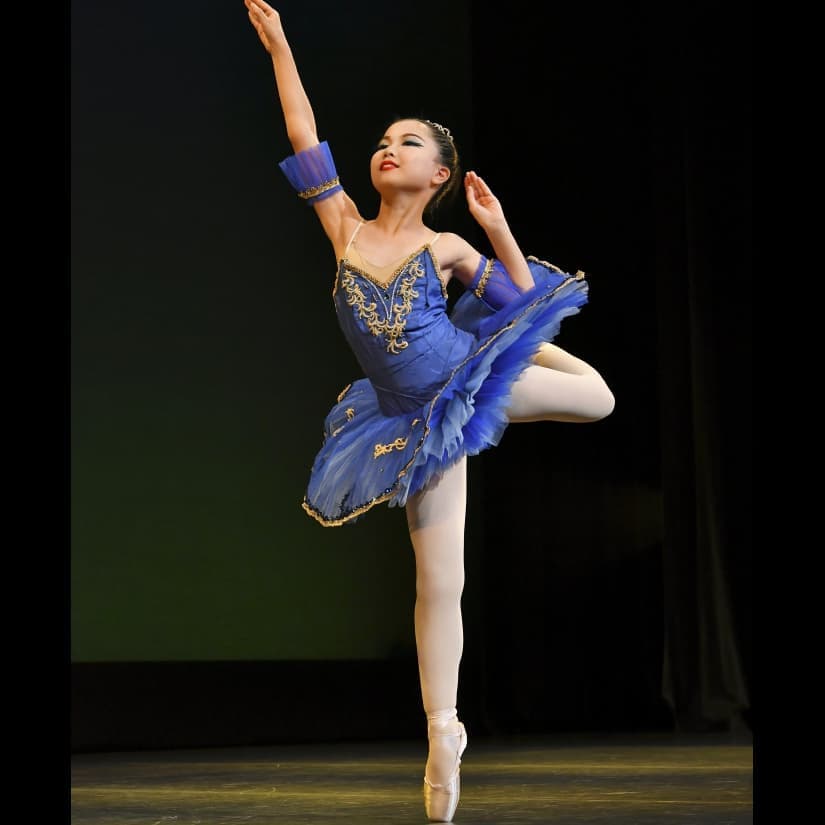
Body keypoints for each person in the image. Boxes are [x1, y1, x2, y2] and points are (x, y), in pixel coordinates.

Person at [244, 1, 615, 820]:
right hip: (407, 421)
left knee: (597, 396)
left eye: (408, 142)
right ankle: (443, 730)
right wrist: (280, 47)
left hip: (461, 385)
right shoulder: (343, 226)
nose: (388, 147)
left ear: (439, 175)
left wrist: (497, 226)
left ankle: (504, 356)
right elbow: (303, 134)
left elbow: (525, 298)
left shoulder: (445, 247)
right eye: (384, 139)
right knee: (439, 582)